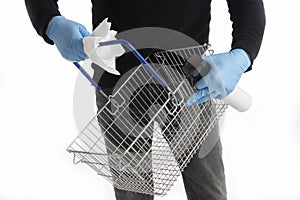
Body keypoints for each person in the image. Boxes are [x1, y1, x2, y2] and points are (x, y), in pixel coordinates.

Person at [25, 0, 265, 199]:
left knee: (208, 190)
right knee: (132, 194)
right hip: (118, 85)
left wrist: (243, 53)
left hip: (190, 81)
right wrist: (50, 21)